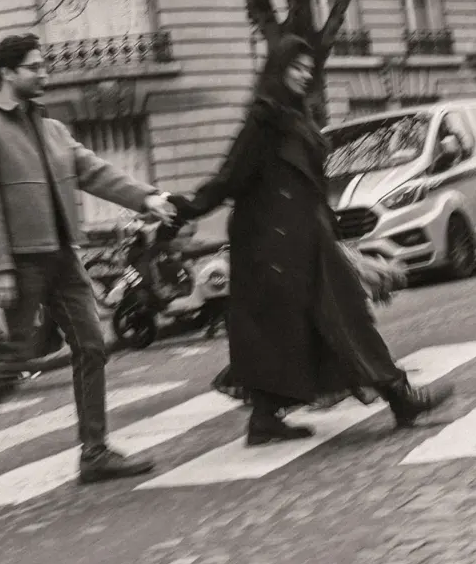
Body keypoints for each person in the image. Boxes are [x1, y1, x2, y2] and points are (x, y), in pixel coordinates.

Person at [0, 33, 177, 502]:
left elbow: (96, 171)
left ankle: (95, 453)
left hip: (63, 257)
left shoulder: (52, 129)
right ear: (7, 73)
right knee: (16, 358)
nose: (44, 74)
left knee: (92, 345)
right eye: (35, 67)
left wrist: (146, 197)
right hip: (22, 263)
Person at [169, 35, 454, 446]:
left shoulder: (297, 114)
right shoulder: (264, 120)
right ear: (278, 69)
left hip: (307, 237)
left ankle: (268, 418)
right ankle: (398, 397)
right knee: (331, 321)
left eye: (308, 69)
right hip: (274, 246)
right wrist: (184, 208)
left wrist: (333, 230)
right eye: (295, 68)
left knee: (315, 325)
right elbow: (230, 179)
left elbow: (311, 183)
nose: (304, 75)